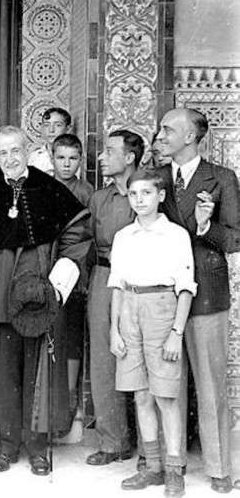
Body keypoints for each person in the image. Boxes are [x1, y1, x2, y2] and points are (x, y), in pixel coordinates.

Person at [0, 126, 90, 477]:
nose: (9, 159)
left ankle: (37, 448)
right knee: (5, 375)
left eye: (15, 151)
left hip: (39, 301)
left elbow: (77, 238)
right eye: (1, 153)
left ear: (27, 149)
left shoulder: (51, 191)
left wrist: (57, 288)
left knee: (38, 375)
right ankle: (7, 446)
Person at [156, 108, 240, 494]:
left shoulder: (222, 178)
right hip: (162, 295)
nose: (160, 135)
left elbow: (235, 239)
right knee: (167, 384)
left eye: (168, 129)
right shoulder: (155, 178)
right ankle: (170, 465)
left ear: (190, 136)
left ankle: (220, 467)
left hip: (207, 293)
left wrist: (206, 226)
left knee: (209, 385)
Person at [108, 169, 195, 497]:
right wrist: (115, 329)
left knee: (166, 395)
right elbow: (116, 284)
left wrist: (176, 332)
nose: (140, 200)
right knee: (141, 394)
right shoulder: (123, 237)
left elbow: (185, 288)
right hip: (129, 309)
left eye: (146, 193)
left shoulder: (175, 235)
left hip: (162, 310)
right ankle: (153, 466)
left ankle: (174, 470)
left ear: (160, 196)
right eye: (134, 194)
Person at [84, 129, 145, 467]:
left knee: (141, 355)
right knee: (104, 361)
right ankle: (113, 442)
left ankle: (150, 447)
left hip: (141, 280)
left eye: (109, 151)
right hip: (104, 278)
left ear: (130, 157)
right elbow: (88, 241)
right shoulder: (99, 199)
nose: (102, 157)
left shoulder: (149, 192)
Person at [50, 133, 94, 426]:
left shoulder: (87, 191)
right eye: (61, 158)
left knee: (73, 337)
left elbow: (89, 234)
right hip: (46, 271)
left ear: (80, 160)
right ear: (51, 158)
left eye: (73, 159)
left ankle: (69, 397)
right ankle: (48, 397)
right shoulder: (41, 185)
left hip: (75, 274)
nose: (67, 164)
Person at [27, 108, 71, 176]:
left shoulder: (72, 155)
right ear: (42, 128)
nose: (51, 130)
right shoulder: (34, 156)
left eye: (58, 125)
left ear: (68, 129)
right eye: (47, 125)